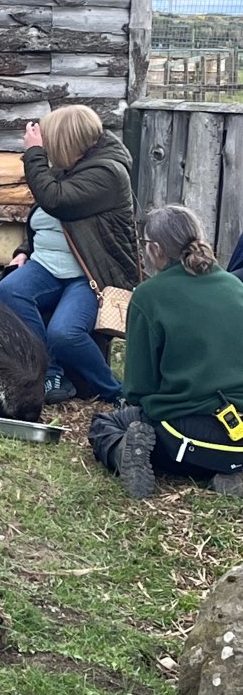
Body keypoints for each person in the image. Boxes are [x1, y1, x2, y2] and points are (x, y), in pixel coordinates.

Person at [89, 205, 243, 499]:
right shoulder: (235, 286)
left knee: (106, 423)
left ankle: (125, 453)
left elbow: (138, 389)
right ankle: (231, 471)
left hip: (187, 438)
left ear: (156, 249)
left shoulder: (149, 296)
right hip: (239, 432)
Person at [0, 105, 139, 407]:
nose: (46, 148)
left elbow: (55, 201)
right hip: (48, 265)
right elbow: (48, 221)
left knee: (64, 333)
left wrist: (33, 154)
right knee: (11, 290)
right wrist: (25, 251)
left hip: (89, 273)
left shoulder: (108, 174)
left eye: (50, 142)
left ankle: (115, 391)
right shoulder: (73, 164)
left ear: (66, 142)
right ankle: (50, 373)